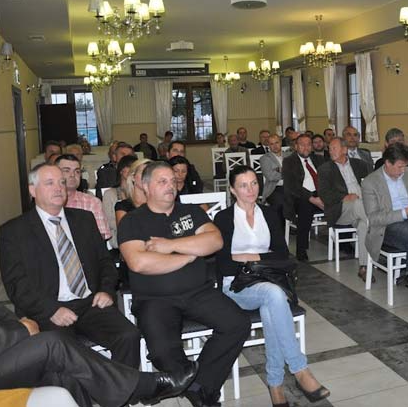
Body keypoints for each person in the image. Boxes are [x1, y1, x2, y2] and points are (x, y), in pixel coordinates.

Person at [0, 246, 197, 407]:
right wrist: (19, 332)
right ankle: (143, 386)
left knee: (61, 370)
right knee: (53, 343)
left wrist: (15, 324)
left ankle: (128, 389)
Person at [117, 161, 251, 407]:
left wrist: (170, 246)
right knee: (162, 353)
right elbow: (139, 262)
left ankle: (197, 386)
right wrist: (190, 254)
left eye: (173, 180)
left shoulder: (190, 212)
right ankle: (201, 392)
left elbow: (215, 240)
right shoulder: (132, 221)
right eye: (162, 181)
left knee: (238, 323)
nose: (171, 186)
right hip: (154, 300)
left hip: (199, 292)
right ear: (145, 186)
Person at [0, 163, 140, 368]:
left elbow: (105, 261)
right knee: (64, 353)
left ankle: (123, 388)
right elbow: (16, 284)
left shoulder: (84, 219)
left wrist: (106, 290)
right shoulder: (13, 231)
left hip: (90, 303)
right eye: (50, 183)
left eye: (62, 182)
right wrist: (51, 310)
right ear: (32, 190)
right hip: (47, 307)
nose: (59, 188)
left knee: (128, 335)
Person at [214, 166, 330, 407]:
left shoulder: (268, 214)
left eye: (254, 183)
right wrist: (260, 257)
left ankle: (275, 385)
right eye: (243, 185)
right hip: (235, 286)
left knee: (271, 306)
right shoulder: (224, 218)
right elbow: (224, 263)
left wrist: (247, 257)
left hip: (268, 282)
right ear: (233, 190)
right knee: (274, 295)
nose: (250, 190)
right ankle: (299, 369)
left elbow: (282, 254)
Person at [362, 143, 408, 321]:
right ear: (387, 163)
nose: (403, 171)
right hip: (388, 225)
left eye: (405, 166)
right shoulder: (371, 182)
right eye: (400, 167)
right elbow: (374, 218)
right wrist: (404, 212)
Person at [318, 138, 370, 280]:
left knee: (364, 225)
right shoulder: (325, 169)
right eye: (330, 149)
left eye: (334, 148)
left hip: (362, 208)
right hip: (340, 210)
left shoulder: (360, 164)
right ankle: (382, 228)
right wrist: (344, 197)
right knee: (359, 205)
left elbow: (370, 184)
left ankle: (364, 266)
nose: (331, 151)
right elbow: (324, 194)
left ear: (344, 149)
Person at [282, 134, 325, 261]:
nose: (306, 147)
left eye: (308, 144)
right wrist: (311, 198)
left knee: (341, 201)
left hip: (320, 194)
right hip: (299, 197)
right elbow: (292, 186)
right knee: (305, 207)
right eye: (302, 145)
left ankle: (345, 242)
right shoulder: (289, 162)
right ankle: (301, 249)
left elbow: (327, 179)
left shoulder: (319, 159)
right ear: (296, 146)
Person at [55, 155, 112, 240]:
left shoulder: (92, 202)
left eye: (77, 171)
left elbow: (101, 236)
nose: (72, 175)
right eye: (66, 171)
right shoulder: (46, 202)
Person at [101, 154, 138, 249]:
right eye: (129, 167)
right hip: (119, 240)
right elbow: (109, 221)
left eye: (135, 168)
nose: (132, 170)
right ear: (121, 170)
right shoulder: (110, 194)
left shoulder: (140, 192)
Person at [259, 134, 287, 224]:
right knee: (280, 203)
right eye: (271, 144)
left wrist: (279, 170)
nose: (275, 146)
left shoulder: (289, 155)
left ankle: (294, 225)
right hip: (274, 189)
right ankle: (280, 228)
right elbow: (270, 176)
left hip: (290, 187)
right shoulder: (265, 158)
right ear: (268, 146)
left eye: (276, 143)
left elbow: (296, 172)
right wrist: (287, 173)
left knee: (303, 200)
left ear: (281, 143)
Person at [115, 159, 151, 225]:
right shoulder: (123, 206)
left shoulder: (160, 203)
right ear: (133, 177)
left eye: (150, 173)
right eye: (143, 172)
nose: (147, 177)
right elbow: (125, 230)